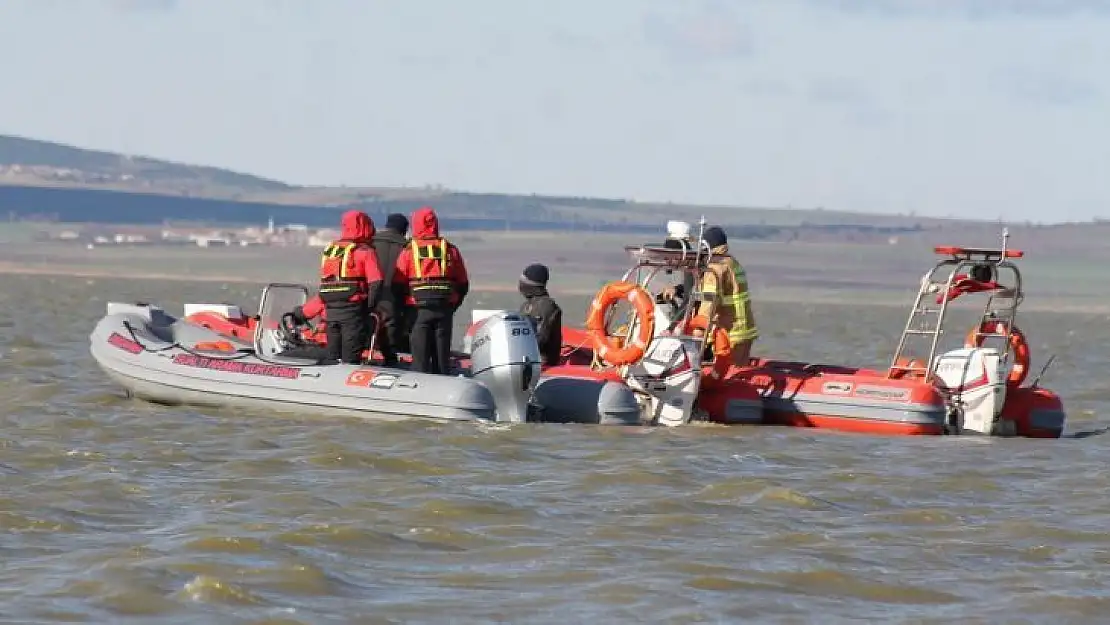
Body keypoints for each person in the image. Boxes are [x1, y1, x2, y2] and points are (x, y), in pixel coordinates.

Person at [392, 206, 469, 374]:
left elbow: (398, 283)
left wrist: (403, 310)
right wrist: (452, 305)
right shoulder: (450, 249)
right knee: (442, 359)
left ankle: (420, 389)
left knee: (420, 358)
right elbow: (463, 283)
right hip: (444, 309)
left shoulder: (409, 251)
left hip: (418, 309)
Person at [317, 210, 384, 364]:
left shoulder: (331, 251)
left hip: (331, 312)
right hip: (352, 312)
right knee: (350, 358)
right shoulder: (365, 252)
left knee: (332, 356)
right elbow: (376, 282)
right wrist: (369, 308)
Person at [691, 226, 758, 367]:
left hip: (729, 333)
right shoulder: (733, 263)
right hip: (745, 331)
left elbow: (709, 302)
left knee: (728, 377)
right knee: (740, 373)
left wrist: (698, 329)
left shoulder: (715, 268)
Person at [371, 213, 410, 365]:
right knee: (392, 325)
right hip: (396, 295)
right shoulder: (407, 247)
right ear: (404, 230)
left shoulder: (370, 242)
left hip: (371, 292)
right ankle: (391, 360)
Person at [517, 263, 563, 366]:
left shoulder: (547, 306)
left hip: (542, 362)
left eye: (523, 282)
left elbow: (540, 339)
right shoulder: (526, 305)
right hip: (526, 359)